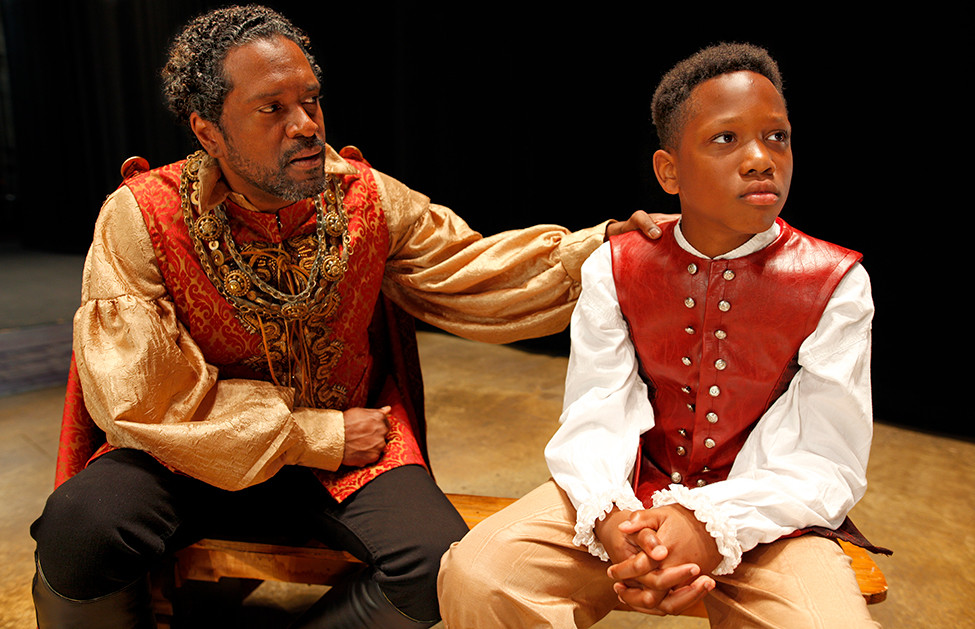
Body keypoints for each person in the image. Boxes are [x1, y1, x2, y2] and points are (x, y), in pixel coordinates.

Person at [28, 5, 662, 629]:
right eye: (272, 108)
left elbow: (470, 269)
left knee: (435, 564)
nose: (306, 125)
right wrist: (319, 434)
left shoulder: (367, 197)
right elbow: (146, 399)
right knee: (78, 530)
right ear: (208, 131)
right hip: (194, 456)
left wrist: (601, 249)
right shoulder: (141, 216)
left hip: (347, 461)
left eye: (311, 101)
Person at [438, 42, 888, 628]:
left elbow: (825, 458)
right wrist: (610, 519)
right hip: (625, 499)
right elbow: (594, 413)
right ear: (668, 171)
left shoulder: (834, 282)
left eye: (777, 137)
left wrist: (706, 523)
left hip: (769, 518)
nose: (761, 159)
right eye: (726, 138)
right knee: (479, 575)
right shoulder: (617, 265)